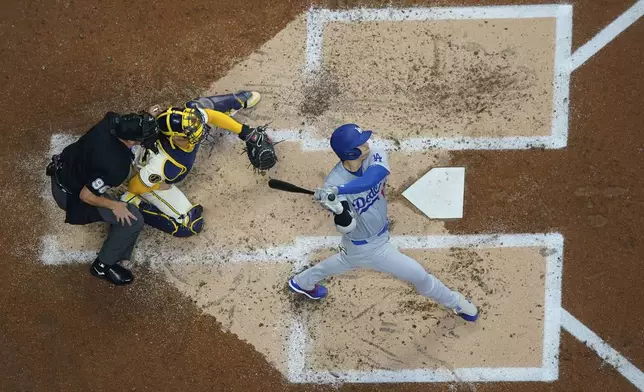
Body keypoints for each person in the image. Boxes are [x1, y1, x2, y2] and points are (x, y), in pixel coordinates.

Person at [287, 123, 479, 322]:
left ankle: (302, 282)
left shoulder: (373, 155)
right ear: (351, 153)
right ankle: (456, 302)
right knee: (419, 275)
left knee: (344, 261)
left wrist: (340, 190)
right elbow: (347, 226)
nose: (367, 143)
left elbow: (373, 178)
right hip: (368, 247)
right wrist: (337, 208)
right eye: (361, 143)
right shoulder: (332, 184)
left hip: (371, 238)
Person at [119, 91, 277, 237]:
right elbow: (134, 185)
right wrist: (158, 185)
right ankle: (133, 203)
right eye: (190, 134)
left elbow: (208, 116)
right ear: (174, 138)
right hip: (143, 174)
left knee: (195, 109)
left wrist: (245, 132)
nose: (200, 132)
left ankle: (234, 101)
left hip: (163, 147)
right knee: (190, 225)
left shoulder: (184, 129)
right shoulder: (164, 165)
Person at [47, 111, 159, 285]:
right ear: (130, 141)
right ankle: (103, 266)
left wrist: (142, 122)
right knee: (133, 220)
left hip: (65, 167)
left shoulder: (111, 121)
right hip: (70, 194)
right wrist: (115, 205)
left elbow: (127, 123)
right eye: (141, 138)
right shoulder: (116, 167)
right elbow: (86, 195)